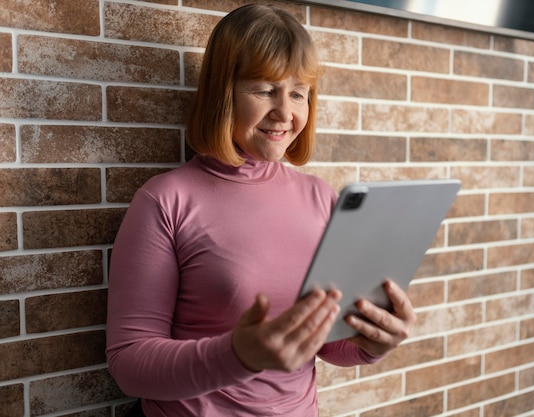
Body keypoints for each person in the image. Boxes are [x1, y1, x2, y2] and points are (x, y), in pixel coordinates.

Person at [106, 4, 416, 416]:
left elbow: (323, 343)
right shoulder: (165, 201)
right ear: (224, 92)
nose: (285, 113)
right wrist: (238, 354)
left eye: (298, 93)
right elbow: (130, 365)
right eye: (265, 90)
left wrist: (368, 343)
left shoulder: (321, 198)